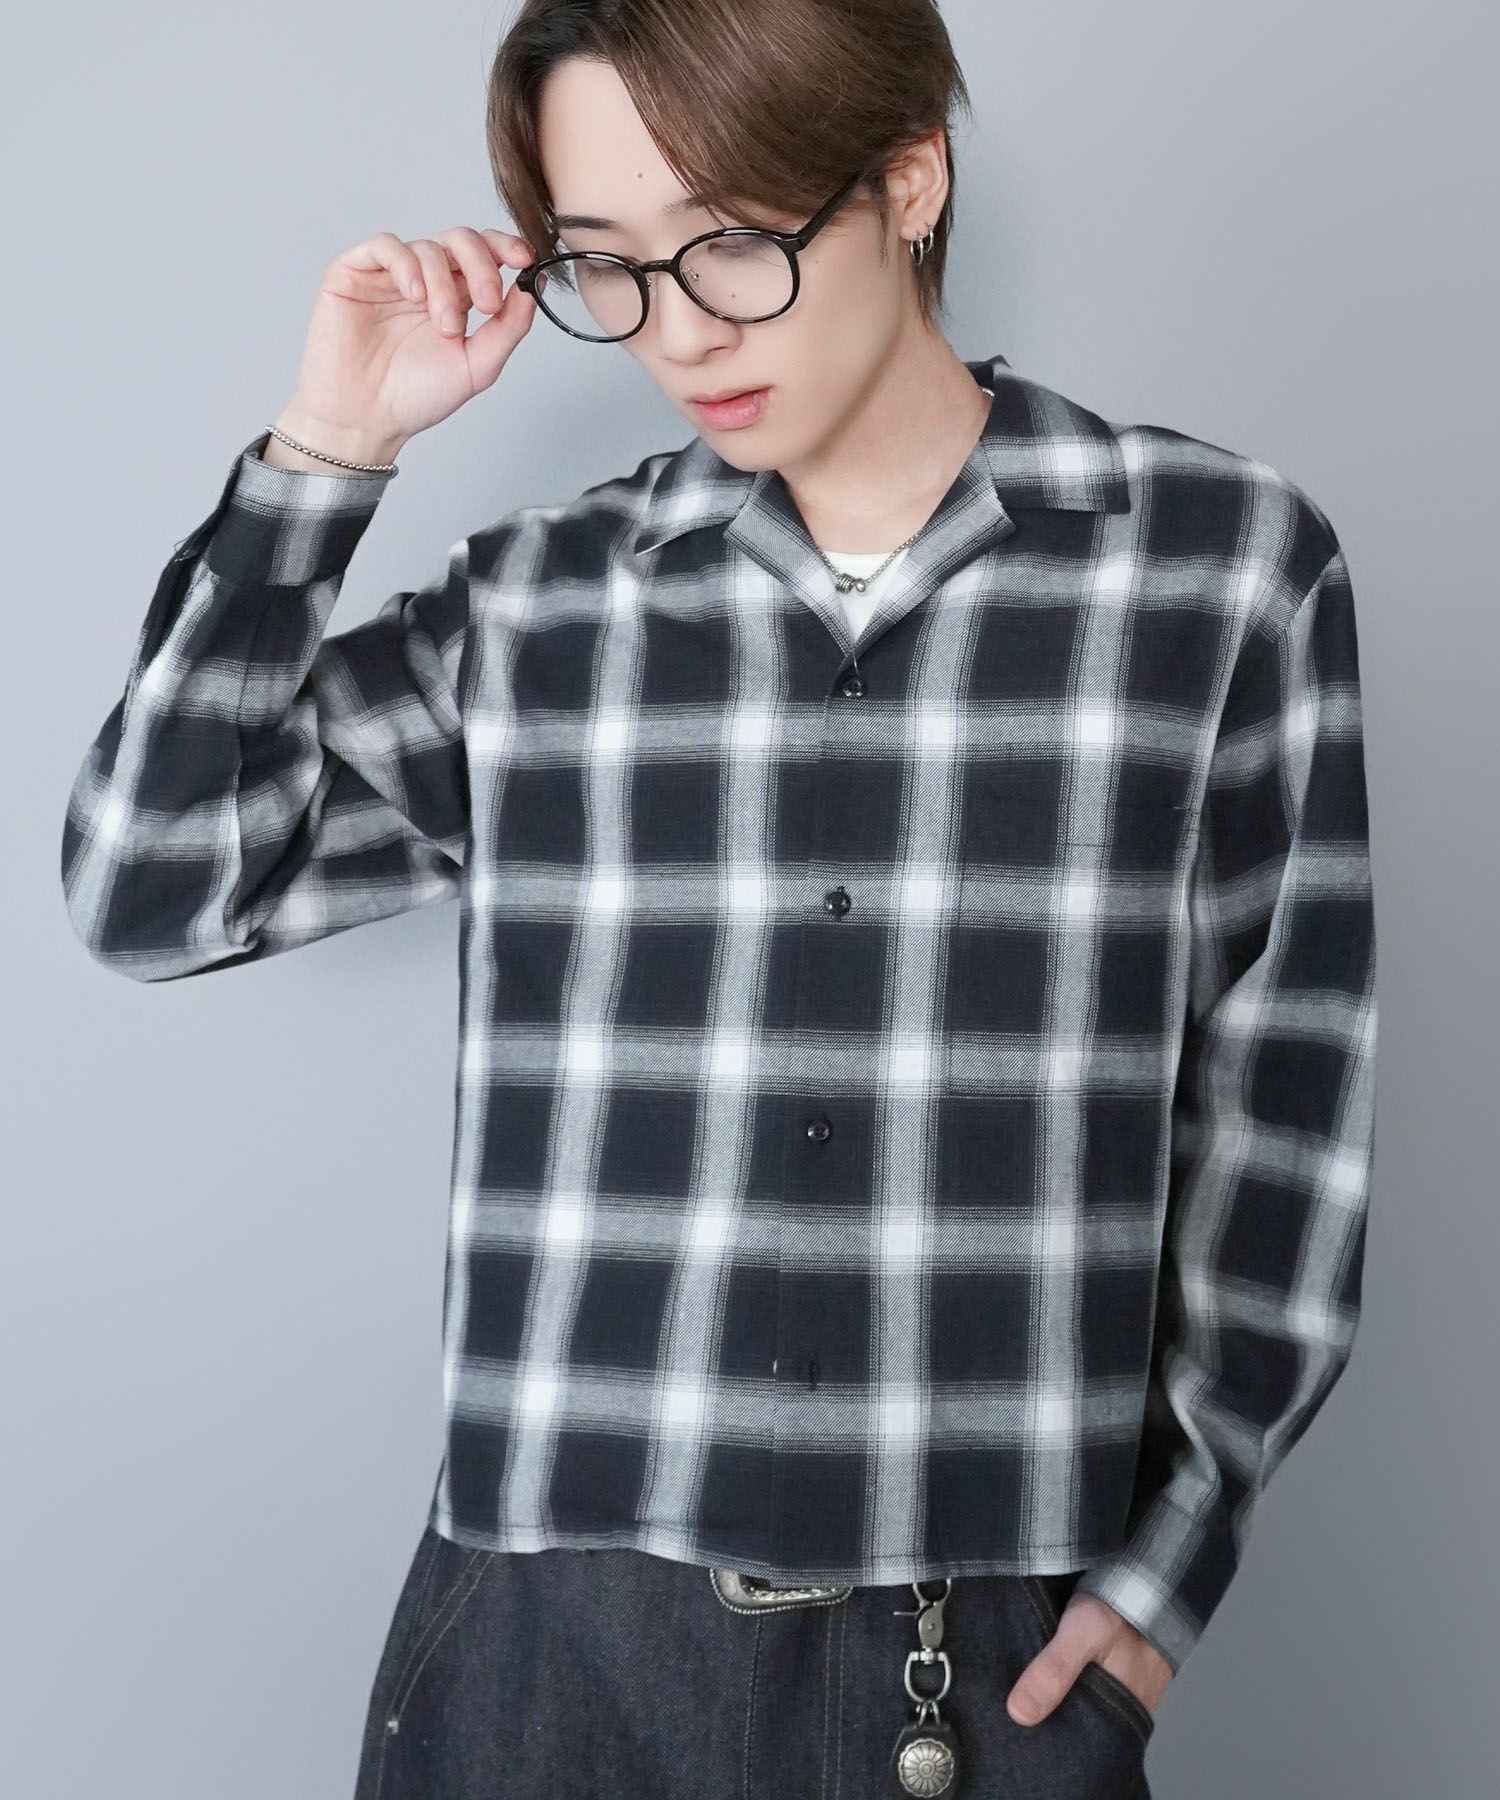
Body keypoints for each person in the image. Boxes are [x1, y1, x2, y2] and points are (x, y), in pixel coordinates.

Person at [60, 3, 1377, 1795]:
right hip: (544, 1652)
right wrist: (327, 450)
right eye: (607, 266)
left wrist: (1165, 1578)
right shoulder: (544, 605)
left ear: (909, 178)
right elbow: (151, 885)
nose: (677, 333)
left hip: (979, 1657)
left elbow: (1283, 1120)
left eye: (731, 245)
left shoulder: (1218, 572)